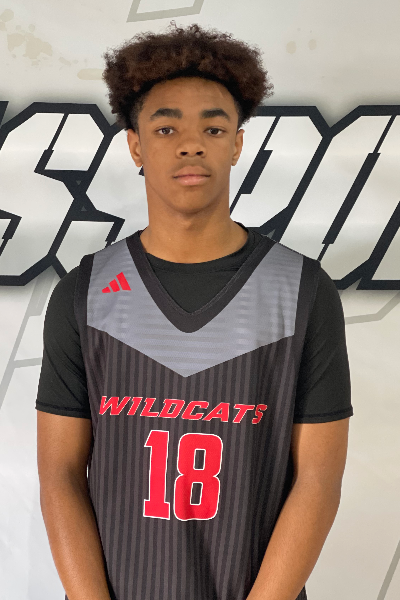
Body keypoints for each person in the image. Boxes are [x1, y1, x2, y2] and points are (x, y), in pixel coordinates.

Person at [36, 22, 353, 600]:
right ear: (136, 145)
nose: (191, 144)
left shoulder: (302, 290)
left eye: (213, 127)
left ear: (237, 144)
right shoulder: (85, 293)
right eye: (166, 127)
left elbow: (318, 481)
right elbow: (60, 476)